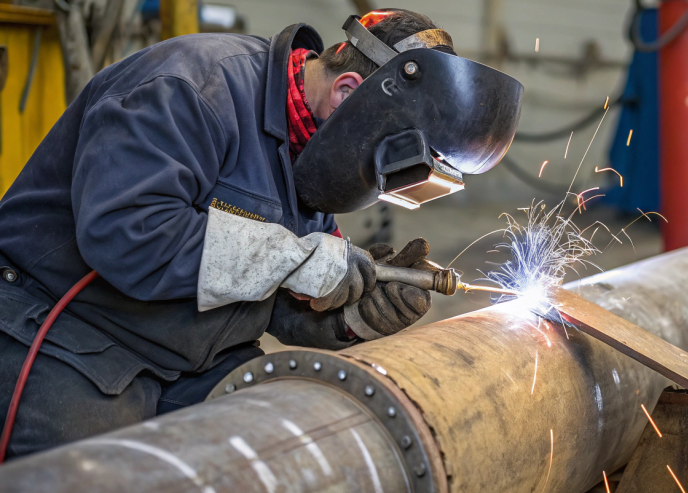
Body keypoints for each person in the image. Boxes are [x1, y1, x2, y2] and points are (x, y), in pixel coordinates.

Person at [0, 8, 522, 459]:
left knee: (299, 446)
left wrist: (354, 314)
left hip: (194, 356)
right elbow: (126, 235)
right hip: (63, 335)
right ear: (347, 94)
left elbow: (273, 303)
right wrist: (293, 260)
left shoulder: (314, 150)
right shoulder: (191, 87)